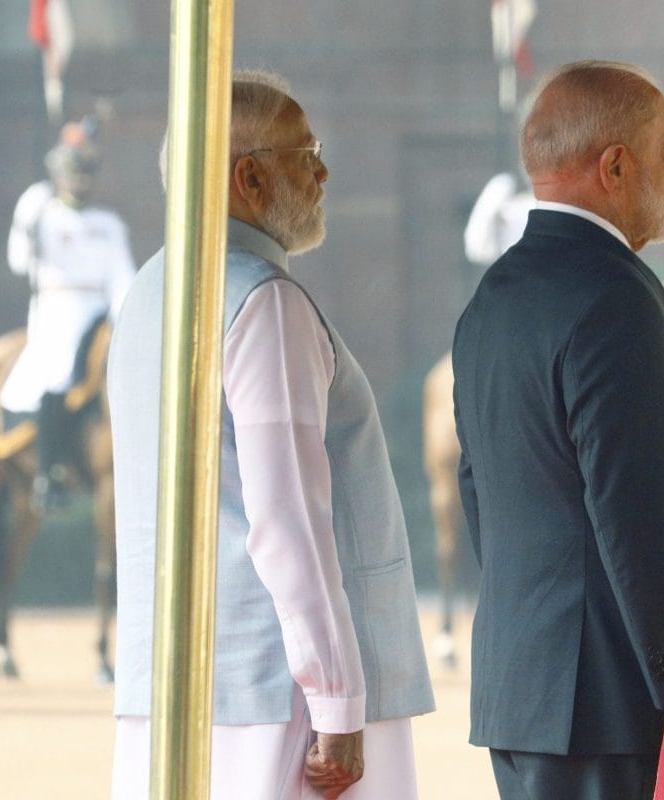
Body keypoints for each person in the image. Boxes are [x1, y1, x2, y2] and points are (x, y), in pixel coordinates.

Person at [107, 70, 434, 799]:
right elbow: (289, 520)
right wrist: (336, 700)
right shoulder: (263, 301)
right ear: (249, 178)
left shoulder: (147, 292)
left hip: (173, 682)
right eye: (307, 152)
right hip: (282, 694)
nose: (322, 173)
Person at [452, 60, 664, 800]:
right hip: (611, 704)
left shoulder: (492, 297)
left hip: (523, 688)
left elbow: (480, 493)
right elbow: (636, 519)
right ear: (616, 166)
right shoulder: (614, 297)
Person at [0, 116, 137, 511]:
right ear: (59, 174)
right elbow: (18, 260)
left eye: (86, 173)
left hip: (97, 314)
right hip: (56, 312)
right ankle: (50, 472)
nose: (80, 180)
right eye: (73, 172)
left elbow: (122, 279)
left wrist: (124, 320)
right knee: (58, 371)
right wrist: (29, 216)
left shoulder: (108, 224)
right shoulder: (42, 211)